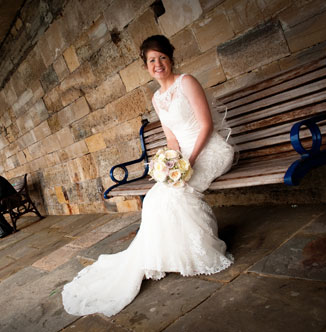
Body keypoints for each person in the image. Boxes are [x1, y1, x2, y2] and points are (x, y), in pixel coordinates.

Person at [62, 35, 235, 317]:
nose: (158, 64)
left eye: (162, 58)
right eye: (152, 60)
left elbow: (206, 125)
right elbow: (171, 139)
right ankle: (168, 255)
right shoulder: (156, 98)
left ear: (170, 59)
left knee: (180, 192)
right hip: (185, 156)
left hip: (210, 149)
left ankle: (199, 253)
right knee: (156, 196)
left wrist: (189, 162)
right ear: (146, 66)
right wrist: (170, 164)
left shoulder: (186, 82)